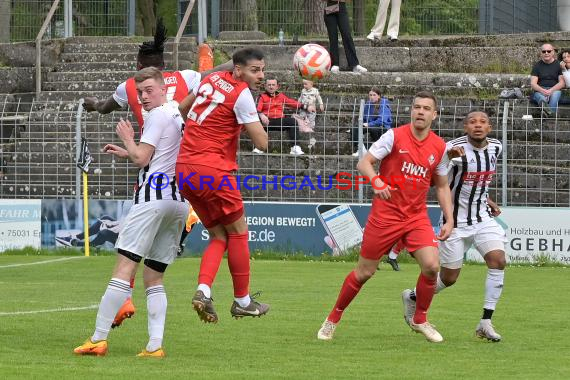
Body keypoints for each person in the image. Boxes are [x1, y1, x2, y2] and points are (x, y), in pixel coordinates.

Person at [81, 19, 231, 328]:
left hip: (150, 175)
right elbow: (213, 75)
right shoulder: (187, 78)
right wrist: (236, 63)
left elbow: (108, 107)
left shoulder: (130, 87)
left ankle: (117, 308)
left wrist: (92, 105)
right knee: (156, 264)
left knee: (128, 250)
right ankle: (154, 340)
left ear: (141, 69)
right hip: (183, 174)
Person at [317, 91, 454, 343]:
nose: (420, 112)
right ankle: (333, 318)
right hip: (385, 216)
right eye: (416, 107)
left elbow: (442, 186)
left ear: (435, 115)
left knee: (432, 266)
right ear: (411, 111)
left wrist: (449, 218)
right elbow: (364, 163)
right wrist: (377, 181)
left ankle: (420, 319)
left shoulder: (440, 147)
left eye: (426, 108)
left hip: (415, 217)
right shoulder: (394, 136)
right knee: (364, 272)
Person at [73, 67, 189, 357]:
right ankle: (154, 347)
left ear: (164, 89)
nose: (144, 97)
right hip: (178, 203)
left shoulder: (159, 114)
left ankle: (98, 339)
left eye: (149, 90)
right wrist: (129, 152)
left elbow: (142, 158)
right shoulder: (175, 113)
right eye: (140, 93)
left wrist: (127, 139)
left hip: (151, 199)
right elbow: (161, 155)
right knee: (154, 277)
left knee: (124, 269)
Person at [176, 47, 270, 324]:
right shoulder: (241, 93)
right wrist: (261, 121)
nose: (261, 75)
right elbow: (262, 144)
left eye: (263, 70)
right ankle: (242, 301)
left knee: (220, 236)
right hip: (214, 170)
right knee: (239, 233)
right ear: (238, 70)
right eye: (255, 70)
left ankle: (203, 291)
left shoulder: (210, 80)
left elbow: (182, 108)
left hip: (185, 169)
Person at [401, 110, 507, 342]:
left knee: (498, 260)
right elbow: (435, 181)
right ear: (464, 127)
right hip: (455, 223)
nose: (477, 126)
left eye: (483, 122)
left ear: (489, 127)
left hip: (482, 218)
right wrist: (447, 158)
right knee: (449, 278)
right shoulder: (452, 148)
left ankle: (485, 322)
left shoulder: (496, 147)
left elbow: (479, 180)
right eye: (472, 122)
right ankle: (413, 297)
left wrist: (488, 201)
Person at [256, 77, 315, 155]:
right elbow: (257, 109)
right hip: (267, 122)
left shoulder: (281, 96)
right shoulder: (262, 97)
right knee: (257, 121)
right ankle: (259, 147)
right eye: (269, 85)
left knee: (292, 121)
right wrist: (261, 115)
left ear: (277, 86)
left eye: (273, 85)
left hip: (280, 121)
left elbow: (292, 103)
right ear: (265, 86)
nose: (271, 87)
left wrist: (306, 107)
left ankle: (295, 147)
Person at [322, 0, 368, 74]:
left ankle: (355, 65)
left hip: (342, 7)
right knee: (333, 37)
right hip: (329, 8)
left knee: (347, 35)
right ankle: (335, 64)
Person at [351, 86, 392, 157]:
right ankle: (360, 149)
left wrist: (369, 124)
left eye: (374, 95)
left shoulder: (384, 103)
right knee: (355, 129)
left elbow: (381, 120)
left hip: (382, 127)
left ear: (379, 96)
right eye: (370, 95)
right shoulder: (368, 104)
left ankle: (366, 150)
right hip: (370, 126)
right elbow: (364, 118)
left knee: (373, 130)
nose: (372, 97)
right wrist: (360, 124)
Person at [530, 43, 564, 117]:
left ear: (553, 52)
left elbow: (562, 83)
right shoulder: (537, 66)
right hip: (540, 90)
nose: (546, 53)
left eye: (548, 51)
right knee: (540, 97)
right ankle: (550, 113)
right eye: (544, 51)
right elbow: (533, 83)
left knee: (555, 94)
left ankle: (548, 113)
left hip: (554, 90)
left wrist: (551, 90)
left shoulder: (558, 65)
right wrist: (543, 91)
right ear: (541, 53)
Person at [55, 215, 120, 248]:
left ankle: (74, 243)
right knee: (105, 218)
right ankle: (76, 237)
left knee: (103, 233)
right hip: (121, 230)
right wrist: (111, 223)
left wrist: (108, 228)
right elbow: (123, 222)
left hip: (124, 239)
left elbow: (126, 228)